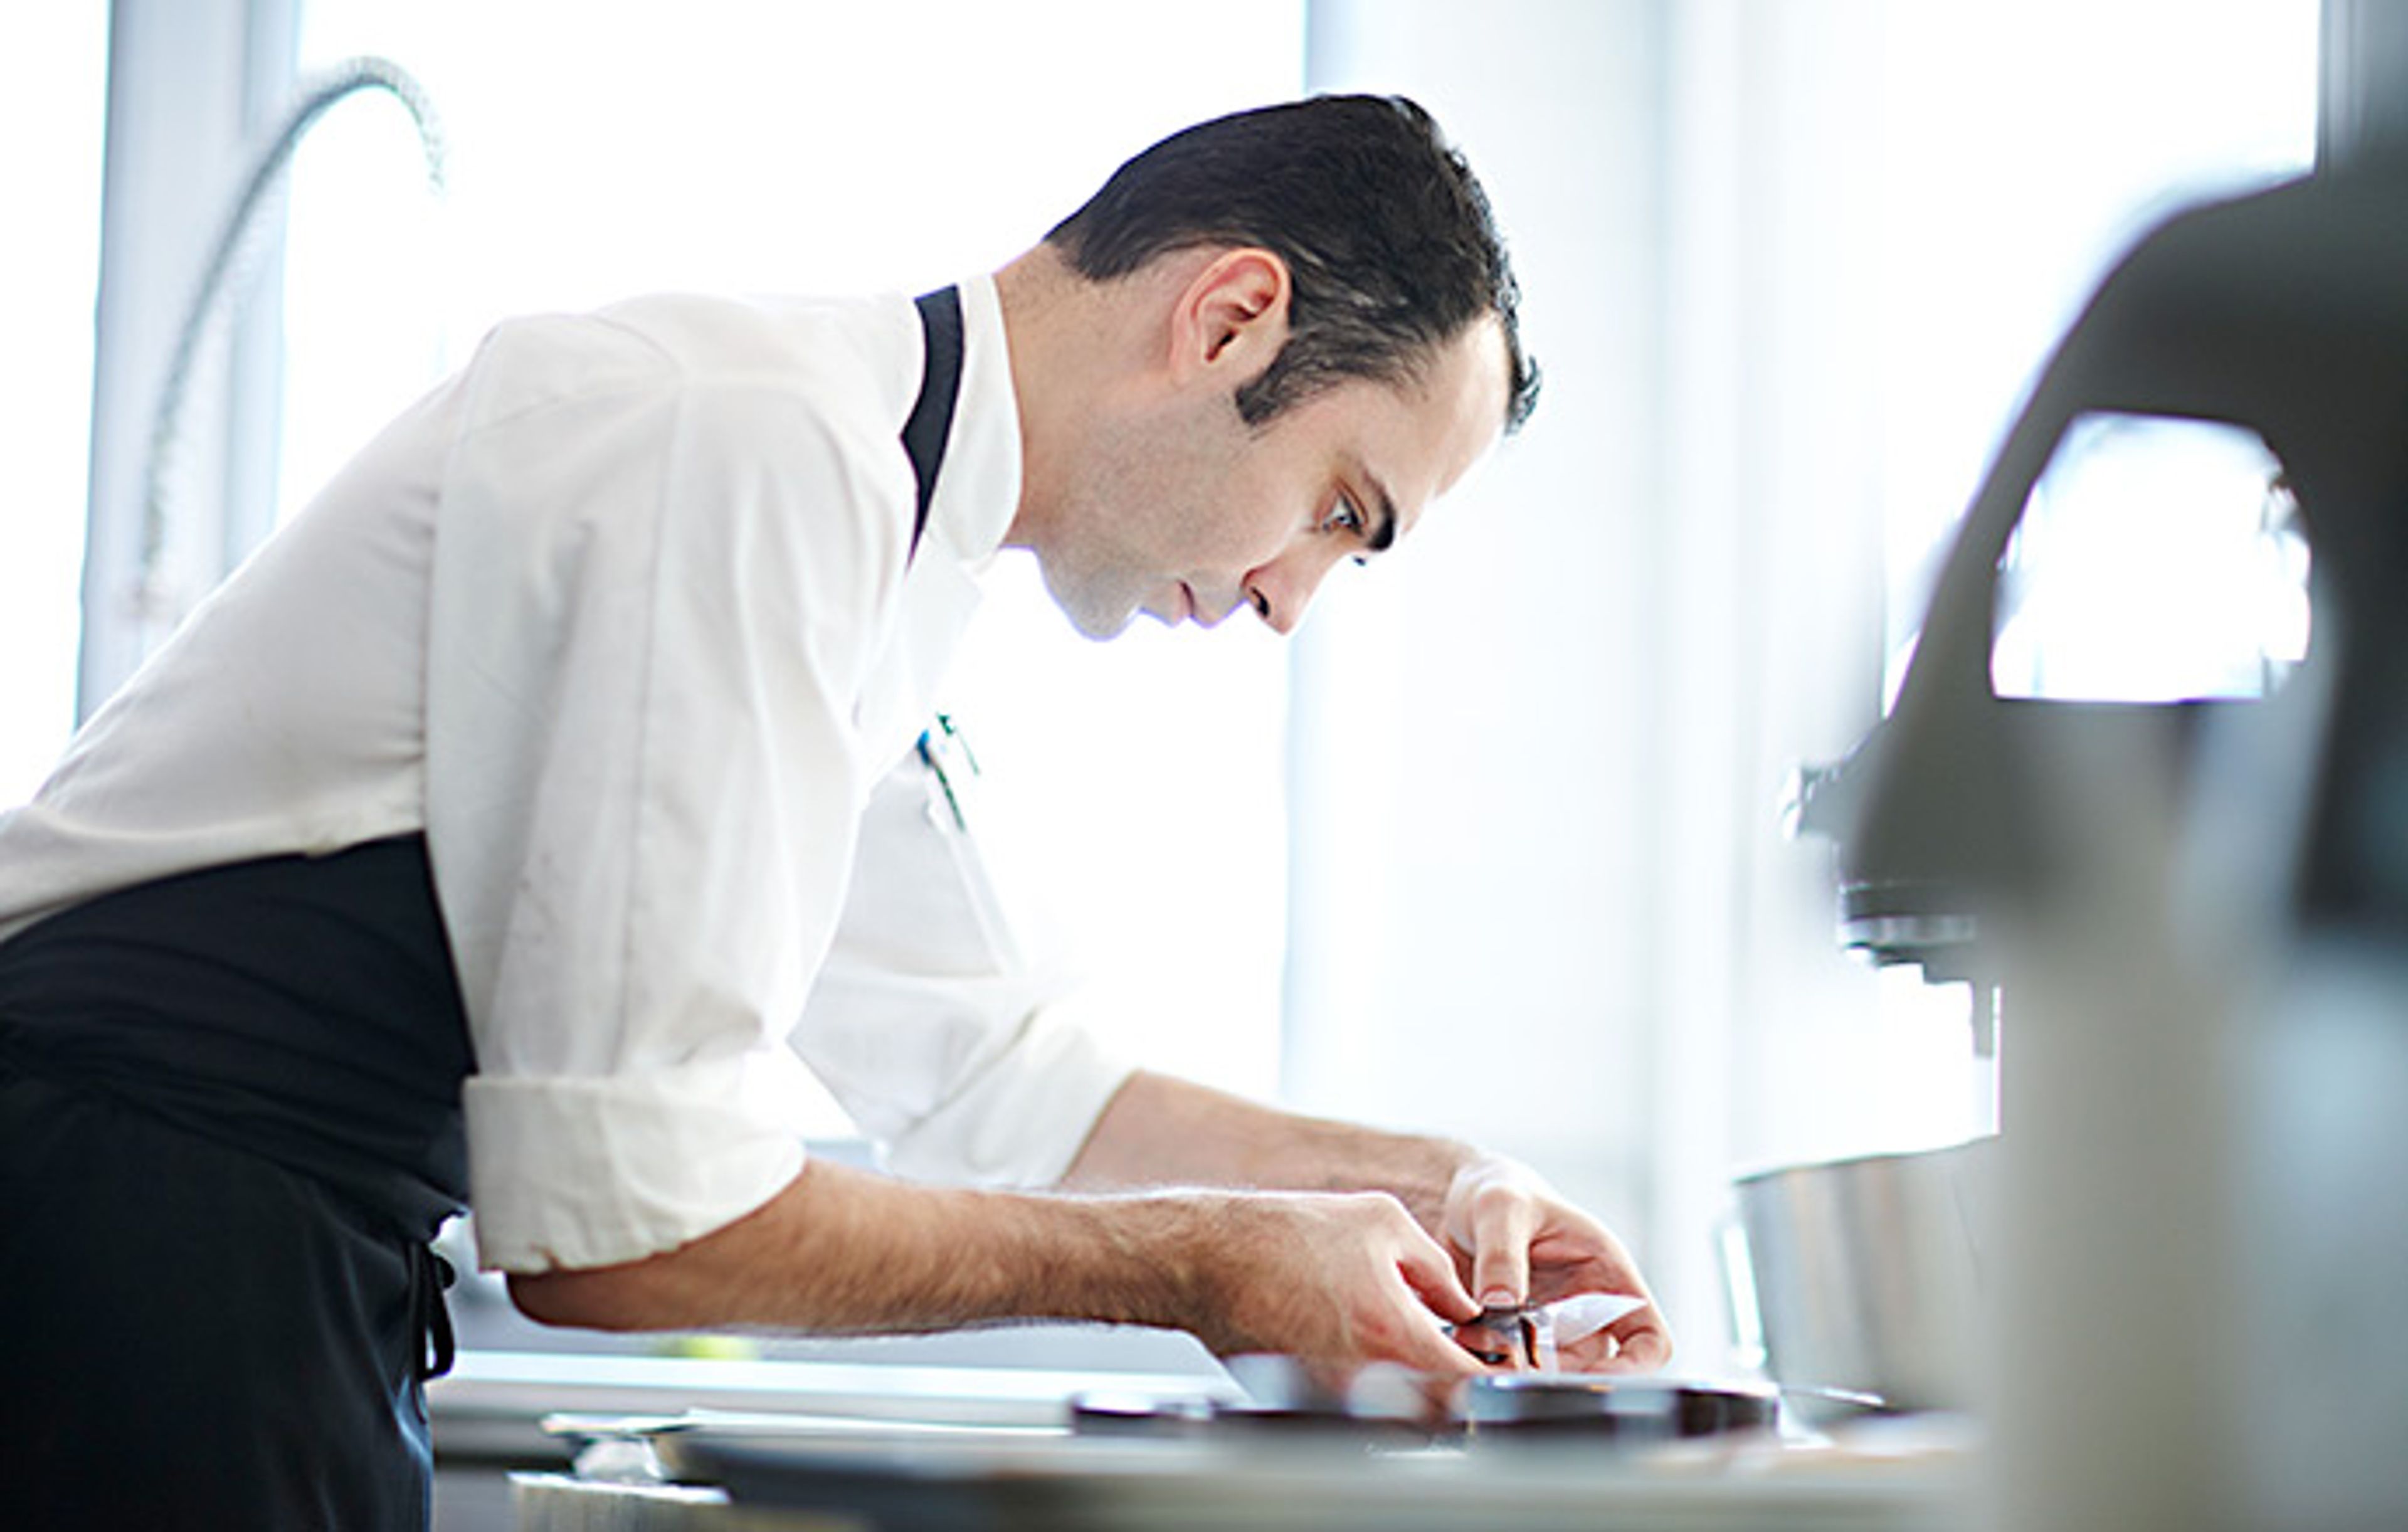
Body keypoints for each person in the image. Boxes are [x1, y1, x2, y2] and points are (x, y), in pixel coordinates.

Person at [0, 94, 1667, 1528]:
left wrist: (1437, 1184)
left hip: (253, 1276)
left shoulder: (879, 530)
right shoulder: (748, 448)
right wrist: (1199, 1266)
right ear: (1230, 320)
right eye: (1338, 511)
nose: (1290, 599)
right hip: (116, 1244)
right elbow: (631, 1233)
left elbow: (996, 1075)